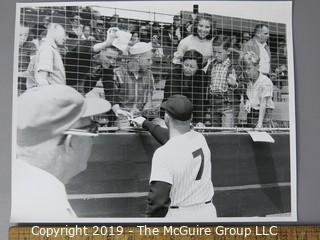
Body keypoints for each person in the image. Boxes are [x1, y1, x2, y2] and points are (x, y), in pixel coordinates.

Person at [12, 85, 111, 221]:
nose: (93, 139)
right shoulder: (49, 214)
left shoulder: (17, 189)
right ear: (71, 142)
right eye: (92, 129)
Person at [142, 95, 216, 219]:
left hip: (181, 217)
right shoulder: (200, 138)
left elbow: (158, 202)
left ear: (166, 117)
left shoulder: (163, 153)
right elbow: (173, 139)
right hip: (208, 214)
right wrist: (146, 124)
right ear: (191, 117)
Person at [162, 50, 208, 125]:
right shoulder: (173, 74)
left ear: (198, 68)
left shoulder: (202, 77)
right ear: (182, 63)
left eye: (192, 67)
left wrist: (200, 121)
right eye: (186, 65)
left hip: (193, 114)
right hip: (173, 113)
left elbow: (200, 101)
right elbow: (174, 99)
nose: (187, 69)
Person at [207, 36, 243, 127]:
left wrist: (235, 84)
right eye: (214, 52)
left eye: (219, 52)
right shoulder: (212, 65)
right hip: (214, 102)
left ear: (228, 51)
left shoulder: (235, 66)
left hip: (228, 104)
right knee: (214, 131)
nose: (216, 55)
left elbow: (244, 87)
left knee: (228, 131)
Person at [112, 42, 155, 117]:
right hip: (122, 116)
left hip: (141, 117)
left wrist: (144, 111)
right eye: (148, 59)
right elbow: (112, 99)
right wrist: (124, 112)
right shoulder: (118, 73)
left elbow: (149, 98)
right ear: (138, 59)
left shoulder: (149, 74)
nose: (151, 63)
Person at [242, 51, 275, 128]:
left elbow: (263, 103)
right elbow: (248, 96)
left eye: (249, 68)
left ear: (257, 67)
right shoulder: (249, 81)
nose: (246, 71)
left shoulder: (265, 81)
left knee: (262, 135)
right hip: (252, 112)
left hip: (264, 114)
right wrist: (248, 102)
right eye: (245, 69)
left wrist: (260, 123)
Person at [34, 21, 67, 85]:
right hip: (52, 93)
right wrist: (48, 94)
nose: (65, 38)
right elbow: (42, 78)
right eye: (63, 34)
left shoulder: (51, 48)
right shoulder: (47, 48)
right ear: (54, 32)